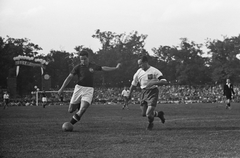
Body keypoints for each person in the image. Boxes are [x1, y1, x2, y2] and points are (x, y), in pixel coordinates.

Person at [58, 50, 121, 126]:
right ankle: (79, 104)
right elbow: (69, 78)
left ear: (88, 58)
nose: (83, 61)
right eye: (81, 59)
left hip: (89, 89)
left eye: (84, 59)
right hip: (79, 88)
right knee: (70, 110)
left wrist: (115, 68)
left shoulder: (92, 66)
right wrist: (61, 88)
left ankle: (70, 124)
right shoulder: (77, 67)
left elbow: (103, 68)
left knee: (83, 109)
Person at [127, 55, 168, 130]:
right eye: (138, 64)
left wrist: (154, 83)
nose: (139, 66)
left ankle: (150, 124)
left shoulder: (154, 71)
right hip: (143, 92)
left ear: (146, 62)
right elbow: (133, 85)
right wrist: (129, 94)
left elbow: (164, 81)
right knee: (144, 114)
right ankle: (159, 114)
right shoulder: (138, 72)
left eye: (141, 64)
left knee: (148, 114)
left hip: (153, 92)